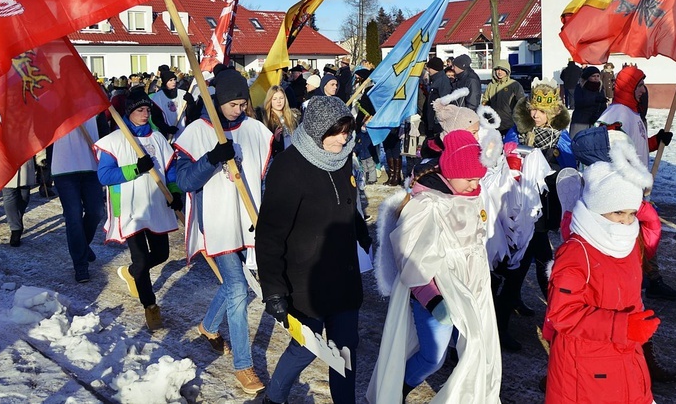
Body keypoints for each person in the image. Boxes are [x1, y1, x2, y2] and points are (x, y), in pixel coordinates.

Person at [368, 130, 501, 403]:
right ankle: (398, 389)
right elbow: (409, 254)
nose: (474, 184)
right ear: (451, 172)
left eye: (478, 178)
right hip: (435, 294)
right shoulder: (428, 204)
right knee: (434, 356)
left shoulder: (472, 195)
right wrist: (432, 299)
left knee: (477, 349)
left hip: (471, 289)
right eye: (469, 178)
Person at [256, 96, 371, 404]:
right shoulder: (289, 167)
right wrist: (274, 290)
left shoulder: (343, 156)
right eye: (336, 132)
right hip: (306, 279)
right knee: (305, 346)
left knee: (345, 350)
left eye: (346, 131)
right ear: (318, 131)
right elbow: (270, 234)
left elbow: (348, 205)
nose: (343, 138)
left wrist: (361, 232)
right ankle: (274, 398)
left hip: (344, 277)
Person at [175, 68, 272, 395]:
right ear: (217, 101)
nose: (239, 108)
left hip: (247, 219)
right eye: (233, 103)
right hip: (217, 222)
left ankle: (209, 325)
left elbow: (263, 175)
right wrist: (213, 158)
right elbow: (185, 181)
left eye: (243, 102)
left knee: (242, 288)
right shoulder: (197, 132)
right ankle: (244, 365)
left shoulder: (255, 130)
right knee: (236, 288)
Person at [544, 157, 657, 404]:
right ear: (597, 207)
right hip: (586, 368)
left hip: (625, 355)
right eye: (618, 212)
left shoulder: (627, 244)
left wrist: (636, 324)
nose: (626, 221)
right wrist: (623, 326)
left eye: (631, 213)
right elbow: (562, 313)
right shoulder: (576, 252)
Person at [94, 89, 181, 330]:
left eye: (147, 110)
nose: (145, 114)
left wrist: (174, 192)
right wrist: (135, 168)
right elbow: (104, 175)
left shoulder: (158, 138)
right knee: (142, 258)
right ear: (129, 112)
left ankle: (132, 272)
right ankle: (150, 306)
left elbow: (170, 168)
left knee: (162, 254)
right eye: (140, 110)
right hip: (131, 209)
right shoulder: (116, 140)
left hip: (155, 205)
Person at [500, 78, 576, 351]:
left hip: (543, 207)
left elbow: (569, 168)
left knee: (537, 260)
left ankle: (550, 317)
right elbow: (505, 161)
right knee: (525, 263)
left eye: (542, 112)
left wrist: (554, 158)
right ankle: (502, 325)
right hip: (518, 207)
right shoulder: (515, 132)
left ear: (552, 113)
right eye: (533, 109)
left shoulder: (560, 135)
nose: (535, 115)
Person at [596, 65, 676, 301]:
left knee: (643, 235)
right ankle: (628, 285)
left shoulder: (633, 114)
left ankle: (649, 280)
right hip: (623, 191)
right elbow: (608, 149)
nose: (644, 90)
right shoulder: (616, 114)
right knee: (633, 237)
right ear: (630, 88)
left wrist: (656, 141)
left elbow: (636, 148)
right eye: (641, 86)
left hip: (637, 190)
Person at [52, 116, 108, 283]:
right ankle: (80, 263)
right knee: (74, 216)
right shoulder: (54, 105)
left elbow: (104, 132)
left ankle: (82, 246)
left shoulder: (92, 103)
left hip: (91, 166)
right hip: (63, 168)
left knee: (96, 211)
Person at [2, 156, 41, 247]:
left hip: (24, 159)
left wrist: (41, 157)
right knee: (9, 196)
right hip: (5, 160)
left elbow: (36, 142)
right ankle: (16, 229)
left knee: (24, 196)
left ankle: (16, 220)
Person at [481, 62, 525, 136]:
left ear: (507, 71)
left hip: (509, 124)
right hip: (493, 123)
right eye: (497, 70)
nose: (499, 72)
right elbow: (485, 101)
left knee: (508, 146)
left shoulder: (514, 85)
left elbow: (521, 103)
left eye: (502, 70)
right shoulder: (491, 85)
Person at [151, 65, 194, 140]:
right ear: (165, 82)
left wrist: (191, 103)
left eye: (174, 79)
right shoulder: (158, 97)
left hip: (184, 133)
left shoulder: (182, 93)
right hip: (167, 135)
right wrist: (167, 128)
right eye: (170, 80)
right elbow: (156, 118)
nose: (173, 82)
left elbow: (191, 114)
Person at [569, 65, 607, 138]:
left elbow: (603, 106)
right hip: (580, 119)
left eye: (598, 76)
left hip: (594, 120)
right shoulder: (580, 87)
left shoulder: (600, 87)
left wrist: (598, 115)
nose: (596, 78)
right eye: (593, 76)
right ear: (588, 77)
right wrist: (595, 99)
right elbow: (579, 102)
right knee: (577, 139)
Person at [421, 57, 452, 137]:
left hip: (438, 122)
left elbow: (444, 101)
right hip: (433, 121)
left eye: (429, 68)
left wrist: (437, 120)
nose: (428, 70)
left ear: (434, 68)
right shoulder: (435, 79)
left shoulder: (442, 81)